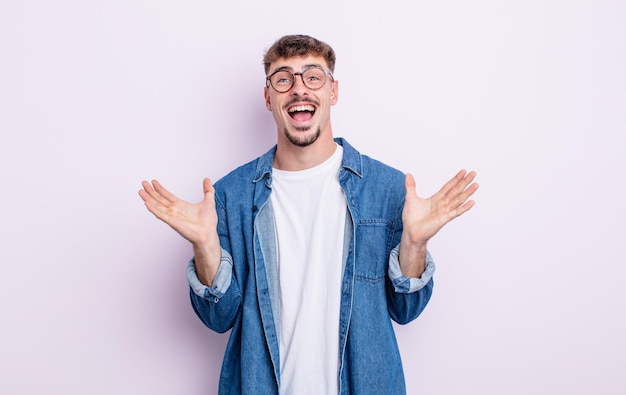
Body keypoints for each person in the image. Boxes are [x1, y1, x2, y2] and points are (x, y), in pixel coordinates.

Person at [139, 34, 478, 395]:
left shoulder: (388, 189)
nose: (299, 88)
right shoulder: (229, 195)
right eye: (283, 78)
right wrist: (205, 245)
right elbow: (216, 318)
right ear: (269, 97)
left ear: (333, 91)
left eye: (313, 76)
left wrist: (414, 242)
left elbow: (406, 310)